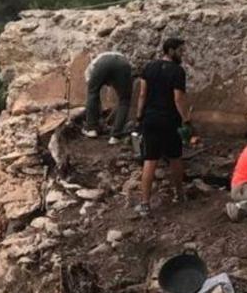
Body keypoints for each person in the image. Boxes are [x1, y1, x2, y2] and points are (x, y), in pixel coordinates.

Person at [132, 38, 192, 216]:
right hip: (169, 120)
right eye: (180, 51)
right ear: (171, 50)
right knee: (175, 157)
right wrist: (187, 120)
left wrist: (138, 116)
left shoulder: (149, 67)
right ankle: (179, 195)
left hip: (150, 119)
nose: (182, 54)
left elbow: (142, 94)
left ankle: (145, 204)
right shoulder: (178, 71)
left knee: (150, 160)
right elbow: (178, 99)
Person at [81, 51, 135, 145]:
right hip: (123, 64)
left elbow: (93, 92)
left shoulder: (90, 69)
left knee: (92, 93)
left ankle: (91, 129)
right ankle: (115, 136)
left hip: (103, 64)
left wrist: (97, 112)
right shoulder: (116, 58)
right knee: (124, 100)